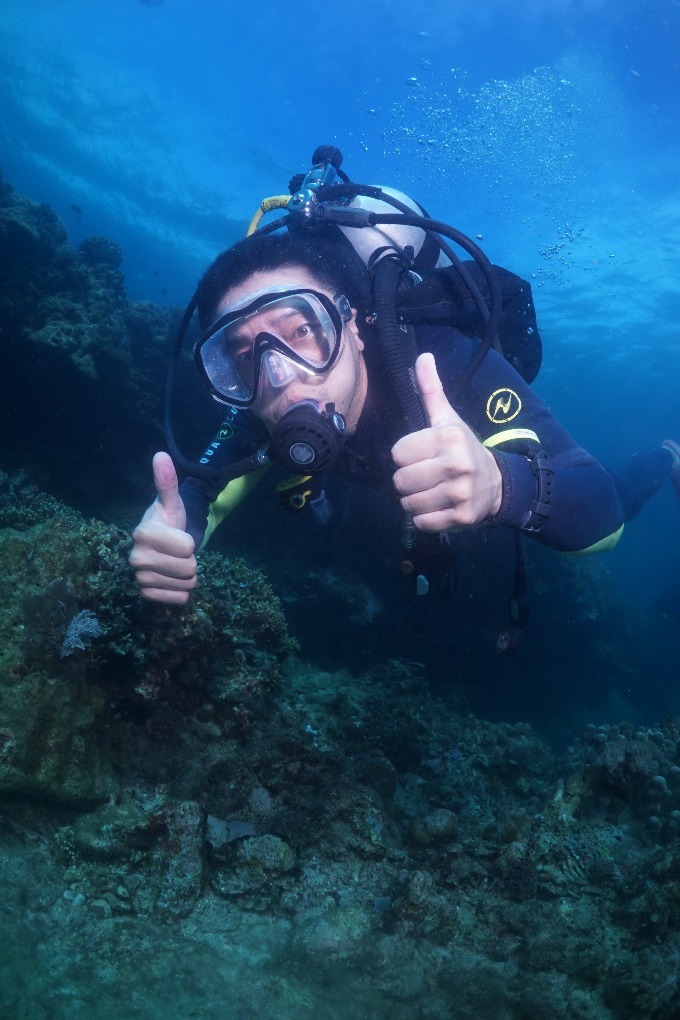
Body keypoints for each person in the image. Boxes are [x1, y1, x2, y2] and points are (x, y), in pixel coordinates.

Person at [129, 155, 680, 625]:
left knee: (625, 488)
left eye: (302, 331)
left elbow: (603, 510)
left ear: (352, 325)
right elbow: (197, 497)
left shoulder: (442, 363)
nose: (281, 376)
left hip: (531, 476)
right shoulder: (261, 402)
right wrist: (176, 536)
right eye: (247, 356)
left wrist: (501, 486)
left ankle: (665, 456)